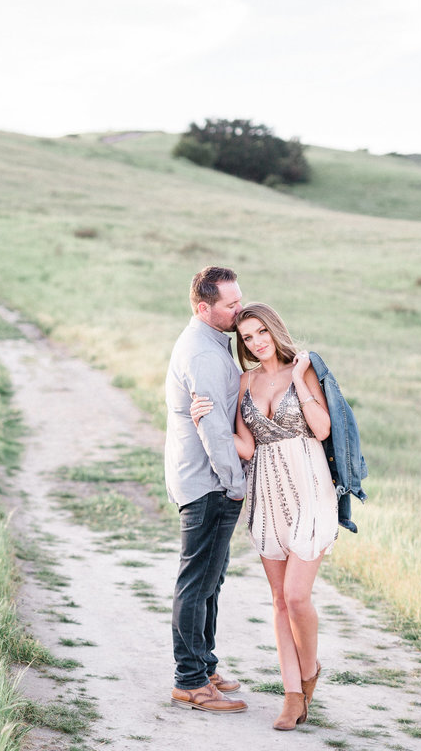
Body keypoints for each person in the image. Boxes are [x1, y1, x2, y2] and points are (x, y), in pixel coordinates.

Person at [191, 302, 336, 730]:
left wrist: (298, 381)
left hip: (310, 488)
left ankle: (309, 672)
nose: (255, 343)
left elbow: (323, 428)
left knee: (296, 596)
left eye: (261, 333)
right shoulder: (244, 382)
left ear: (275, 330)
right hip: (267, 491)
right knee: (277, 600)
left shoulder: (305, 368)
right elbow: (248, 447)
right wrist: (209, 423)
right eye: (247, 337)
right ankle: (292, 695)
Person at [164, 266, 249, 714]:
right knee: (196, 584)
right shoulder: (203, 354)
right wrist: (234, 484)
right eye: (230, 304)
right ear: (204, 308)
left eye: (239, 299)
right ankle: (190, 681)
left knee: (210, 581)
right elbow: (214, 429)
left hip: (207, 480)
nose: (239, 309)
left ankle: (205, 665)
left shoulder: (214, 343)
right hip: (210, 482)